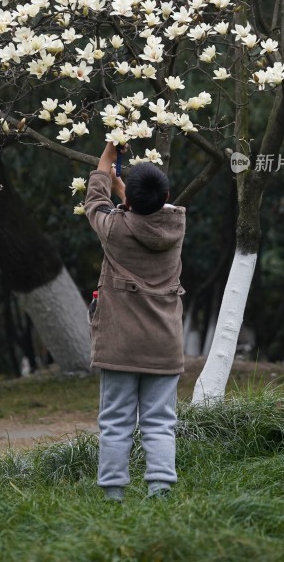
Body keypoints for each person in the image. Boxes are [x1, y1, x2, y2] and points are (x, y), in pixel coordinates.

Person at [85, 142, 186, 502]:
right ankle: (159, 489)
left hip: (120, 345)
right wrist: (123, 191)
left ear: (127, 204)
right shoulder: (176, 225)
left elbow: (94, 204)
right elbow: (149, 211)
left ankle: (113, 492)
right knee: (160, 423)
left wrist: (106, 158)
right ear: (168, 195)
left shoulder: (114, 230)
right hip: (164, 345)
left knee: (115, 421)